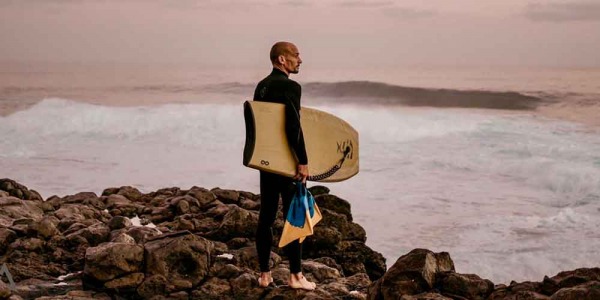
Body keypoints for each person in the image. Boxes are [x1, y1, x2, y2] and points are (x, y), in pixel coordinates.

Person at [253, 41, 316, 290]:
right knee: (295, 217)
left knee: (266, 216)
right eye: (296, 55)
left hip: (266, 161)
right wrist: (302, 160)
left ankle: (264, 274)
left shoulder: (262, 86)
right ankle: (296, 276)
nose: (300, 60)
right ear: (282, 60)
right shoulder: (291, 86)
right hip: (285, 162)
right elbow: (292, 126)